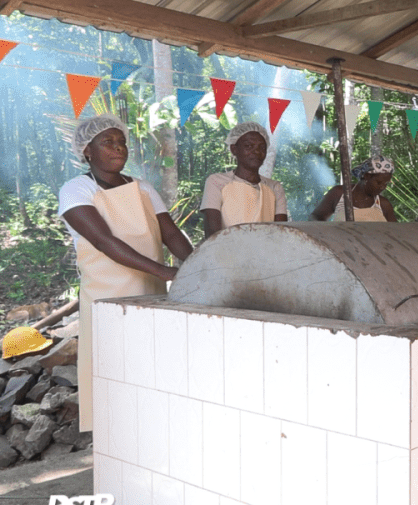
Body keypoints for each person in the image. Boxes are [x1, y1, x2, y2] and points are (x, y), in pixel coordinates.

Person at [58, 115, 193, 432]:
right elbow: (105, 242)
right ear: (87, 150)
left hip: (153, 296)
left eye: (121, 141)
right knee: (116, 379)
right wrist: (167, 271)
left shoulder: (143, 188)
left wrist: (196, 265)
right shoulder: (76, 189)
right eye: (107, 142)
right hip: (108, 303)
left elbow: (171, 235)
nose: (118, 147)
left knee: (152, 375)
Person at [201, 122, 288, 239]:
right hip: (225, 252)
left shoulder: (274, 188)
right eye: (248, 146)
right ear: (234, 149)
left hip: (266, 254)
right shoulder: (217, 182)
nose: (256, 151)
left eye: (261, 148)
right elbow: (212, 233)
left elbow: (280, 233)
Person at [310, 155, 398, 222]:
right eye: (379, 182)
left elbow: (397, 232)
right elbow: (315, 218)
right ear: (367, 176)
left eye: (386, 183)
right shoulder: (339, 194)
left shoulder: (383, 205)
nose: (383, 187)